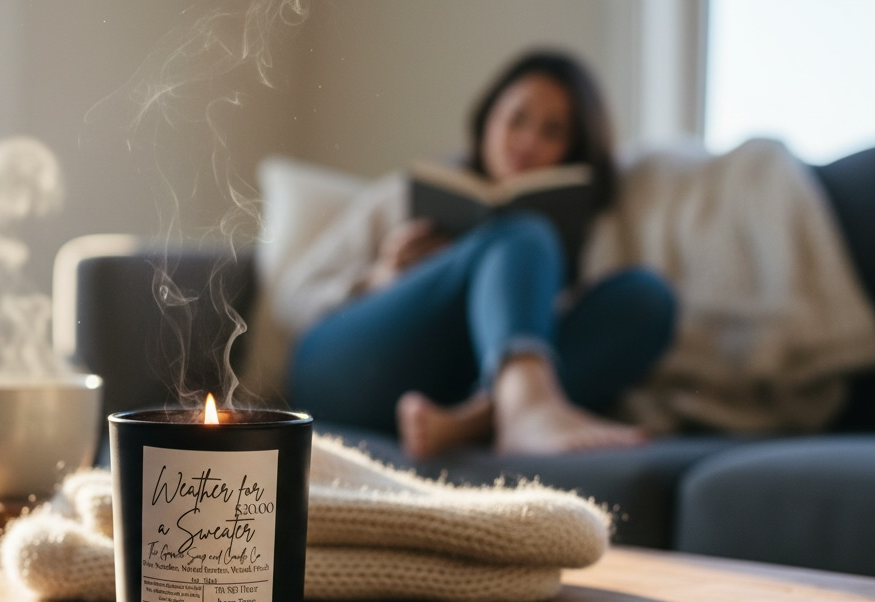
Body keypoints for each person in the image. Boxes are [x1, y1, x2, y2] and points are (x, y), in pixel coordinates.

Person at [283, 49, 677, 458]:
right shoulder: (406, 194)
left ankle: (477, 419)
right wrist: (380, 277)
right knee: (524, 233)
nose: (528, 141)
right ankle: (524, 409)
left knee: (648, 297)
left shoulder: (594, 226)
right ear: (488, 119)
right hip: (346, 368)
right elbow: (290, 296)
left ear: (573, 149)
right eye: (517, 119)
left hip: (454, 385)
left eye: (552, 131)